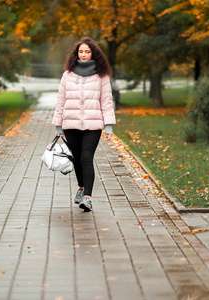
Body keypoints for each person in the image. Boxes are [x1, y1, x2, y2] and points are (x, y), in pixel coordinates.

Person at [52, 37, 116, 212]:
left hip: (93, 124)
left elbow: (106, 101)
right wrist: (58, 124)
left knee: (86, 157)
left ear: (93, 53)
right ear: (76, 53)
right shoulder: (68, 75)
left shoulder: (101, 76)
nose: (84, 54)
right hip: (71, 123)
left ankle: (87, 197)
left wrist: (108, 125)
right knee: (77, 159)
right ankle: (81, 187)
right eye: (81, 51)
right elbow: (61, 100)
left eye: (87, 51)